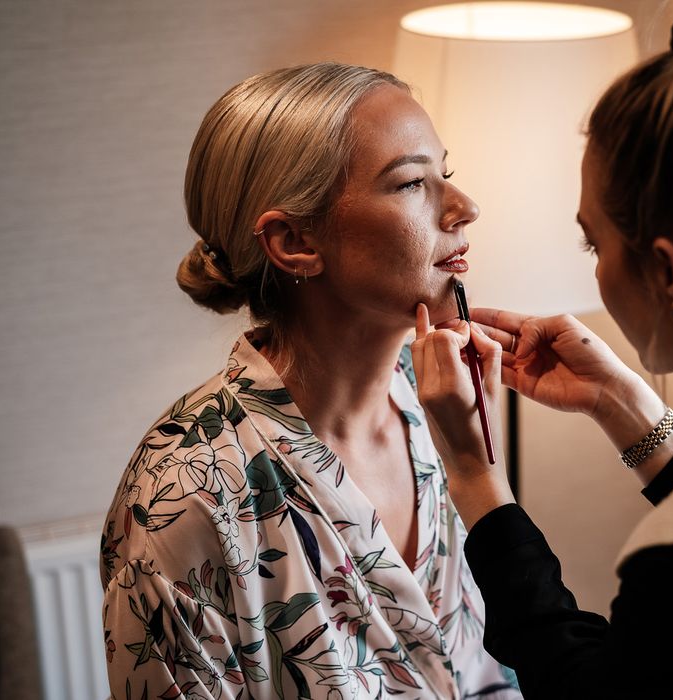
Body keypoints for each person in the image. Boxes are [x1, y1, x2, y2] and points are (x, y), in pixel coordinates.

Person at [99, 62, 523, 699]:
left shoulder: (444, 405)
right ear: (295, 240)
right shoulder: (184, 498)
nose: (464, 208)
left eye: (447, 174)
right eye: (412, 183)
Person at [411, 1, 673, 698]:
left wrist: (473, 474)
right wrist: (622, 401)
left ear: (670, 272)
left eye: (593, 241)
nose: (462, 207)